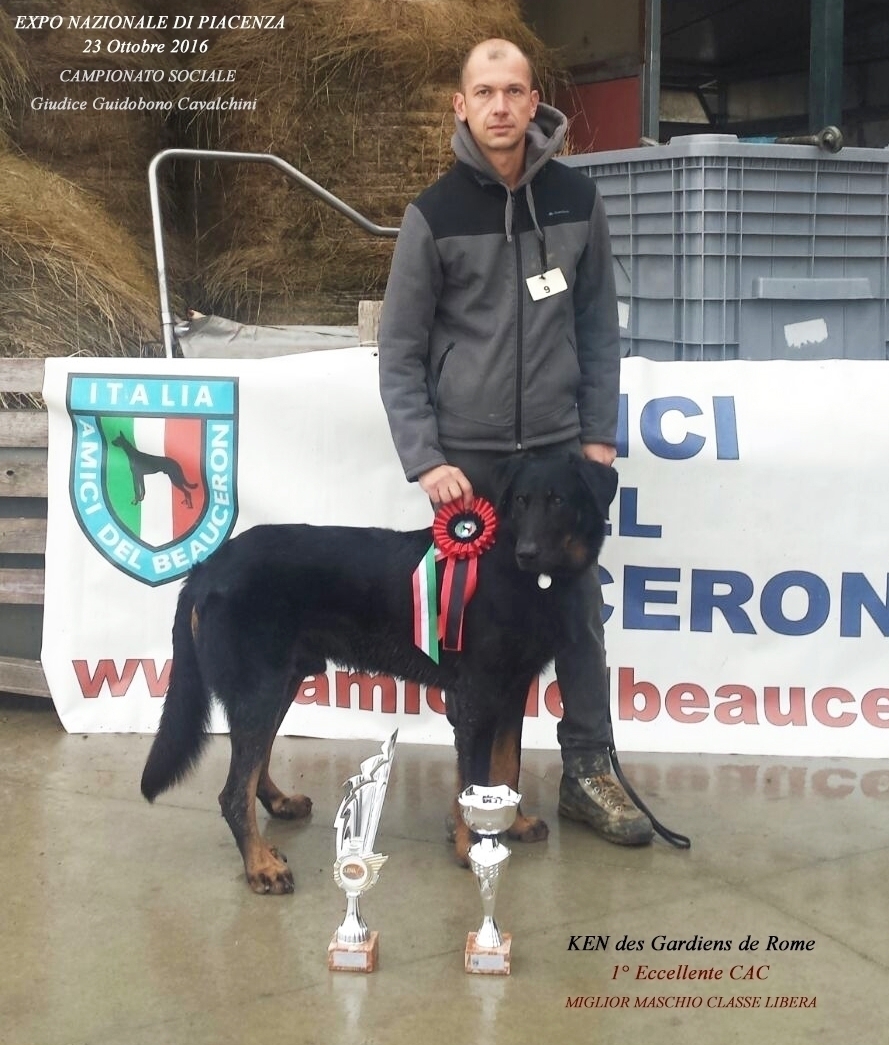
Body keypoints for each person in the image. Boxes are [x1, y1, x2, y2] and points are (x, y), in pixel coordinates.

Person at [377, 38, 652, 846]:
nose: (500, 106)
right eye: (484, 92)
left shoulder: (576, 199)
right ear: (459, 106)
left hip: (563, 459)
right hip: (471, 470)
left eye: (515, 91)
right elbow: (399, 350)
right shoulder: (432, 214)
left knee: (577, 621)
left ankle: (589, 772)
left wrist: (597, 438)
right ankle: (484, 793)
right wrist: (427, 457)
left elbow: (598, 326)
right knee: (477, 634)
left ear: (537, 104)